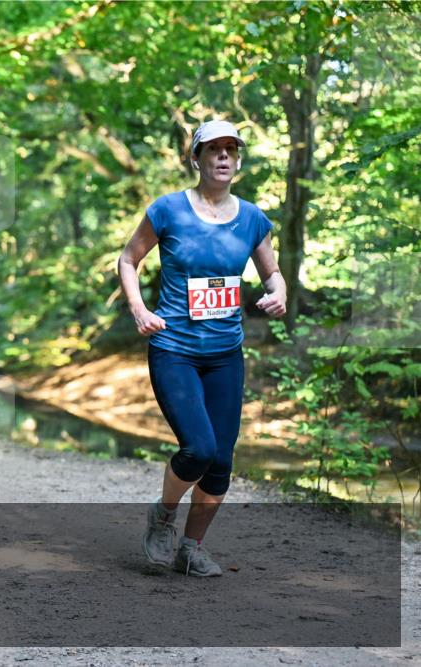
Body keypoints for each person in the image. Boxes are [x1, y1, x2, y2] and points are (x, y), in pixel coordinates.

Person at [117, 120, 287, 577]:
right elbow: (128, 259)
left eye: (231, 149)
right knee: (198, 448)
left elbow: (272, 272)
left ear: (239, 159)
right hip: (174, 347)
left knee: (222, 463)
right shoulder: (168, 210)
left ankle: (191, 548)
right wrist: (139, 309)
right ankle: (164, 516)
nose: (223, 156)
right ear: (195, 158)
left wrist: (279, 291)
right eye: (213, 149)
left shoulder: (252, 218)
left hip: (225, 353)